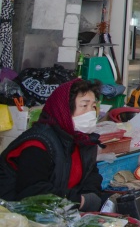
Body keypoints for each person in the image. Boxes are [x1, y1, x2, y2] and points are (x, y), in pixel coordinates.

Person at [0, 79, 105, 210]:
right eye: (84, 106)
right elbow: (33, 192)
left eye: (93, 106)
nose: (90, 113)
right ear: (64, 109)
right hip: (16, 218)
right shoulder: (37, 144)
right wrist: (79, 201)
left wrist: (91, 195)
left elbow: (91, 174)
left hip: (60, 214)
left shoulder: (83, 140)